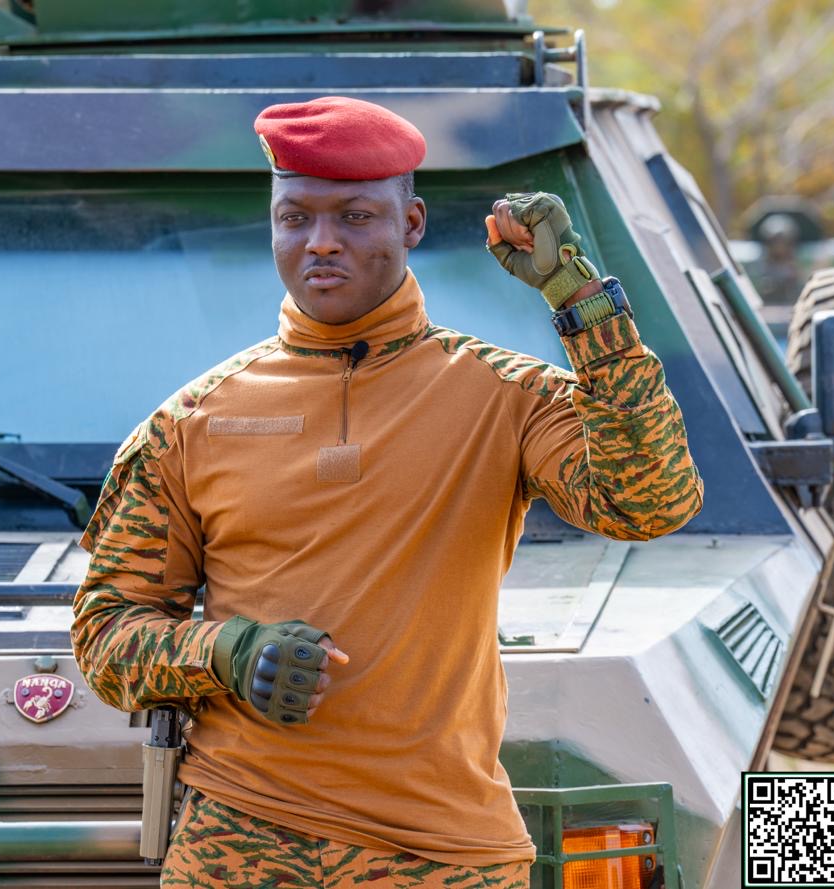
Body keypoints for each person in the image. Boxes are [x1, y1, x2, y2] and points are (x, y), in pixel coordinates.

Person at [72, 96, 703, 888]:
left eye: (356, 215)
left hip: (444, 852)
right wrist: (227, 651)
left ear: (411, 223)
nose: (322, 241)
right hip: (238, 843)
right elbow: (106, 634)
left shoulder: (501, 395)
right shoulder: (194, 420)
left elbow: (651, 501)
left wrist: (581, 303)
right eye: (294, 217)